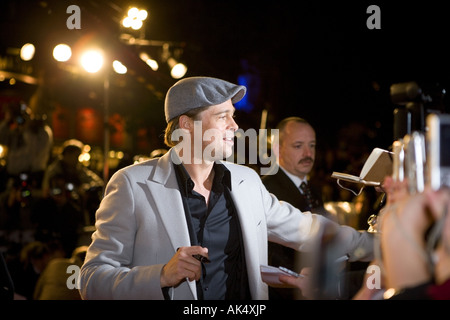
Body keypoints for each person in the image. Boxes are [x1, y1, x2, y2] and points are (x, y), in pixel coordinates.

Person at [79, 76, 374, 300]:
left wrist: (382, 243)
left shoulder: (246, 182)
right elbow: (91, 280)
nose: (234, 126)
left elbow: (308, 230)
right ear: (187, 125)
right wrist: (161, 275)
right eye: (223, 117)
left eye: (233, 115)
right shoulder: (132, 184)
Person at [261, 116, 336, 300]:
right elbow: (268, 249)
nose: (308, 153)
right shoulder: (265, 189)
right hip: (284, 291)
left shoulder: (314, 190)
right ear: (278, 149)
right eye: (298, 146)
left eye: (312, 145)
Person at [41, 139, 104, 225]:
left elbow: (98, 182)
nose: (77, 160)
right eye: (76, 156)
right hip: (57, 203)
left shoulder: (78, 169)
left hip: (74, 202)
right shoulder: (54, 170)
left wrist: (86, 188)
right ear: (67, 154)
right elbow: (48, 190)